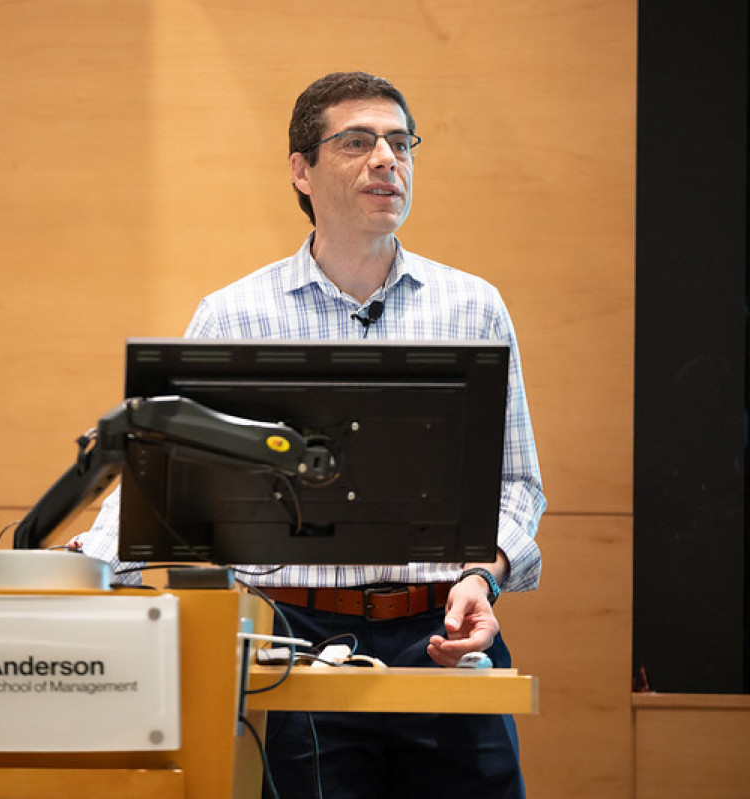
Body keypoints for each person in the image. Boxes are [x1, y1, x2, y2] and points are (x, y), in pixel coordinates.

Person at [73, 71, 545, 799]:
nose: (386, 159)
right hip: (289, 643)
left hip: (443, 633)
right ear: (301, 169)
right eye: (357, 141)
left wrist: (483, 576)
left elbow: (516, 483)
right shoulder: (235, 316)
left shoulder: (473, 308)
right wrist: (78, 573)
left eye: (400, 143)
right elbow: (163, 483)